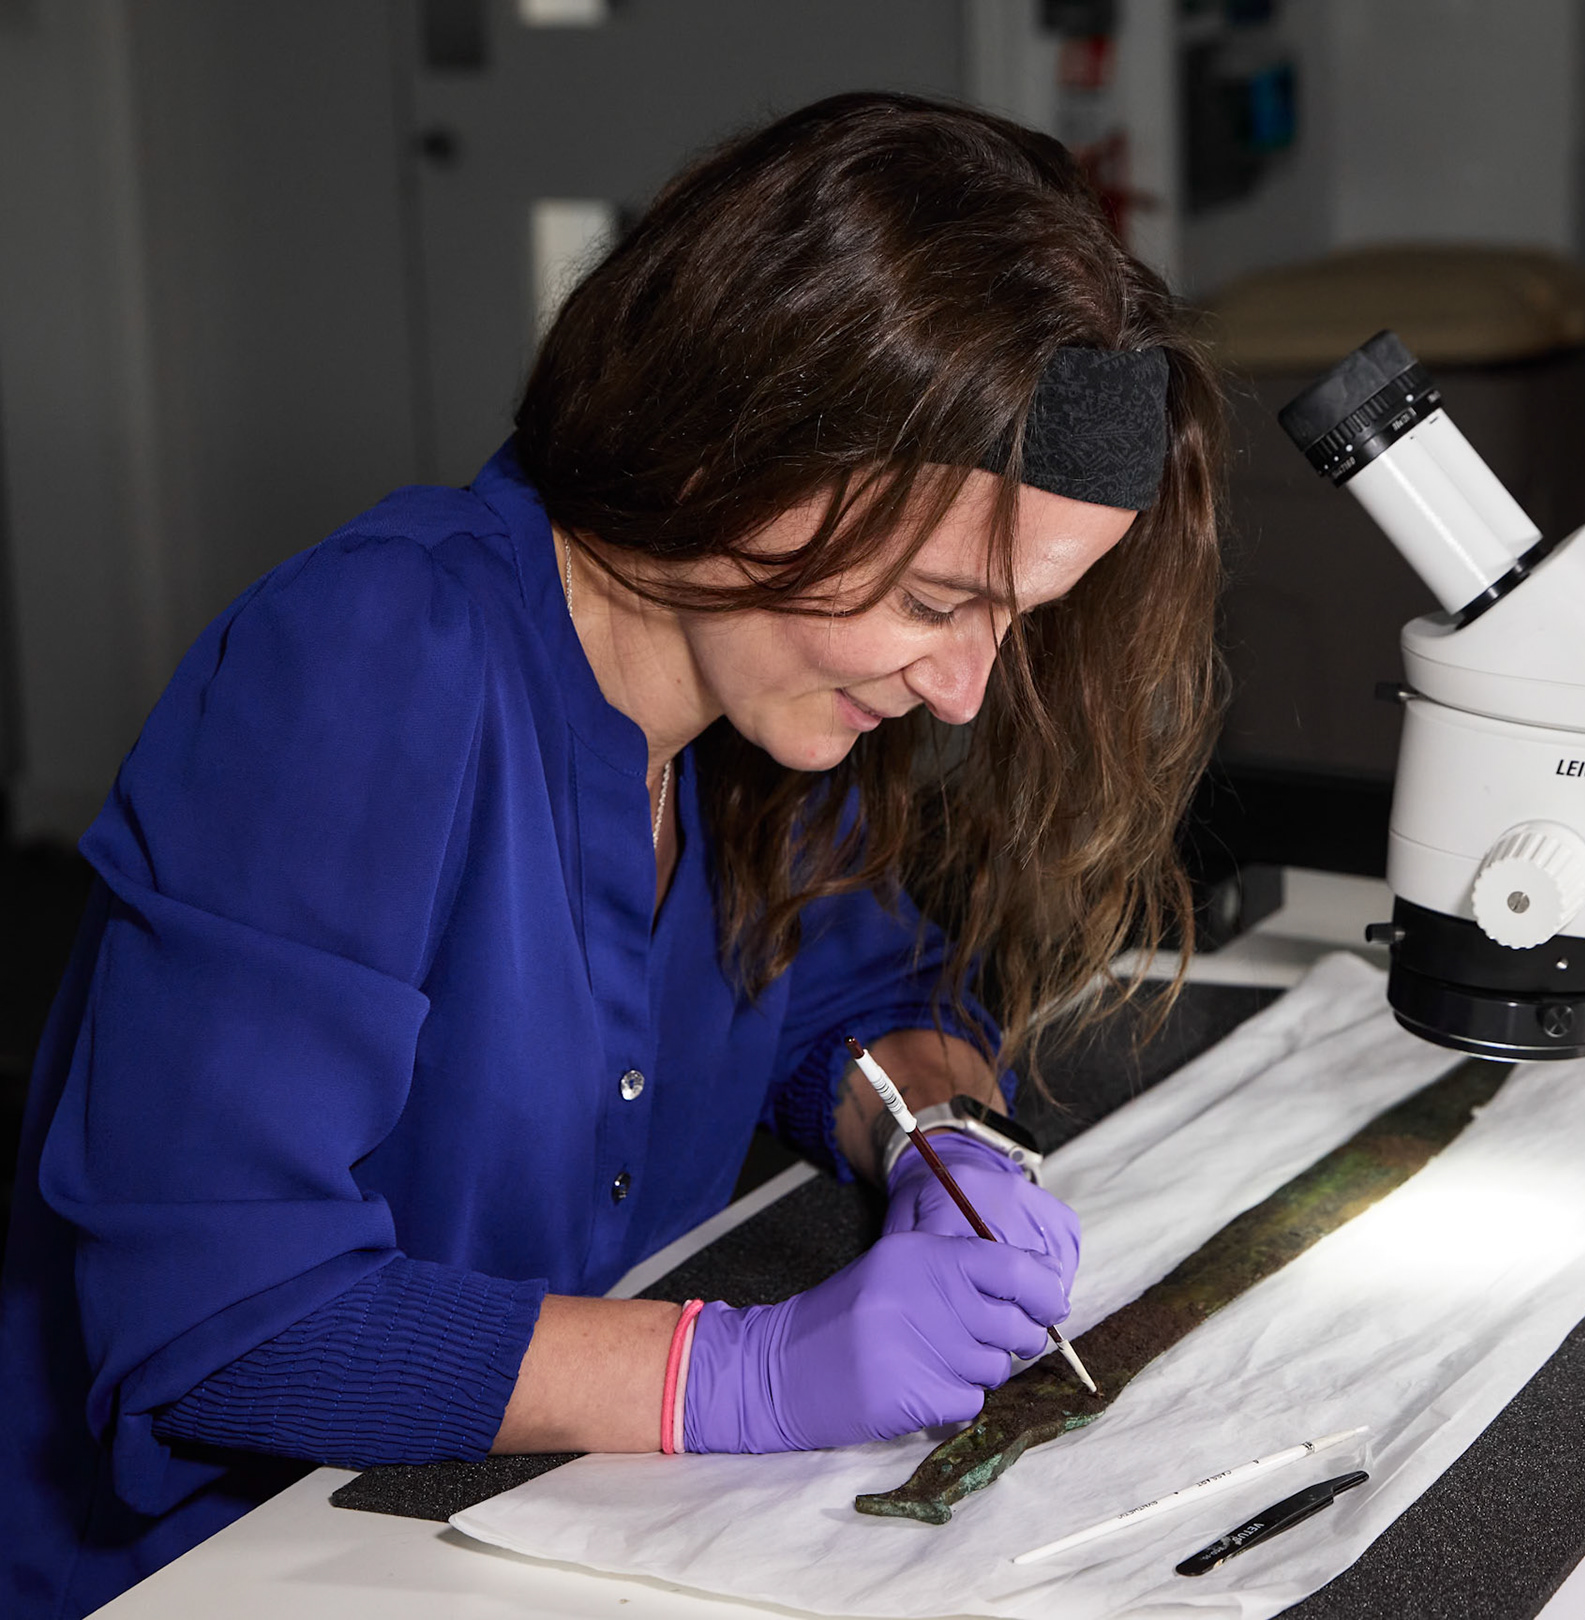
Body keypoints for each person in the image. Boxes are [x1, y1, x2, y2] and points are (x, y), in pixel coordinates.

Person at [0, 91, 1224, 1616]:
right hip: (219, 1563)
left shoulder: (764, 696)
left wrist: (938, 1142)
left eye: (1014, 620)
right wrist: (746, 1375)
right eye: (932, 602)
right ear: (742, 436)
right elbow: (224, 1321)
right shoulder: (374, 662)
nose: (966, 690)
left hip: (530, 1523)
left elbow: (855, 994)